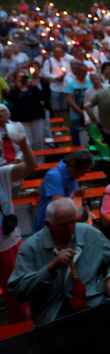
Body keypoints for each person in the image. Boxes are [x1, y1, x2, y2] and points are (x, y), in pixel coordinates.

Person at [9, 198, 110, 325]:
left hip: (93, 304)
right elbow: (18, 291)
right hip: (53, 315)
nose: (70, 228)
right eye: (63, 225)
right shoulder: (31, 247)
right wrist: (50, 268)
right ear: (48, 224)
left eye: (73, 222)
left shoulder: (89, 233)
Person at [0, 131, 37, 323]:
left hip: (7, 244)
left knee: (17, 293)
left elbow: (30, 166)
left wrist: (23, 144)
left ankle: (22, 334)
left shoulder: (2, 174)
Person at [34, 150, 95, 232]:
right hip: (47, 228)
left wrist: (85, 213)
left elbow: (74, 205)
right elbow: (60, 208)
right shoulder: (54, 176)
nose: (82, 176)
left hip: (65, 225)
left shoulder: (72, 175)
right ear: (72, 164)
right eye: (81, 172)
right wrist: (74, 194)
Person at [5, 70, 46, 150]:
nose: (22, 78)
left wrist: (33, 86)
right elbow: (9, 99)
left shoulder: (32, 88)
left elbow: (41, 96)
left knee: (38, 141)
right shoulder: (14, 90)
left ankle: (40, 161)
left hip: (36, 117)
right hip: (22, 120)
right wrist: (18, 88)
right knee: (28, 142)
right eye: (19, 77)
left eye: (23, 76)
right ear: (15, 79)